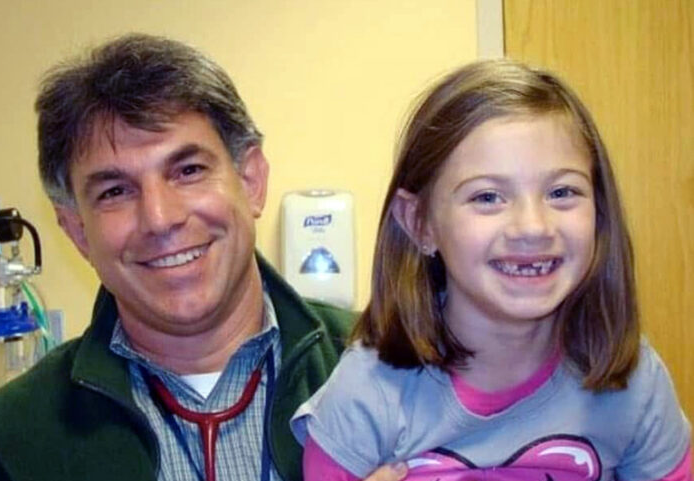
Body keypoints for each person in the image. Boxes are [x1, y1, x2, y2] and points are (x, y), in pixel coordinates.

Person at [0, 34, 408, 481]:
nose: (160, 219)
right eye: (115, 191)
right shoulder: (6, 445)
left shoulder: (399, 371)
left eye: (188, 170)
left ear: (251, 179)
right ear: (79, 231)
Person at [291, 59, 692, 481]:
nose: (533, 227)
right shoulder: (366, 394)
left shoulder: (634, 383)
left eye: (562, 192)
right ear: (419, 223)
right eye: (487, 197)